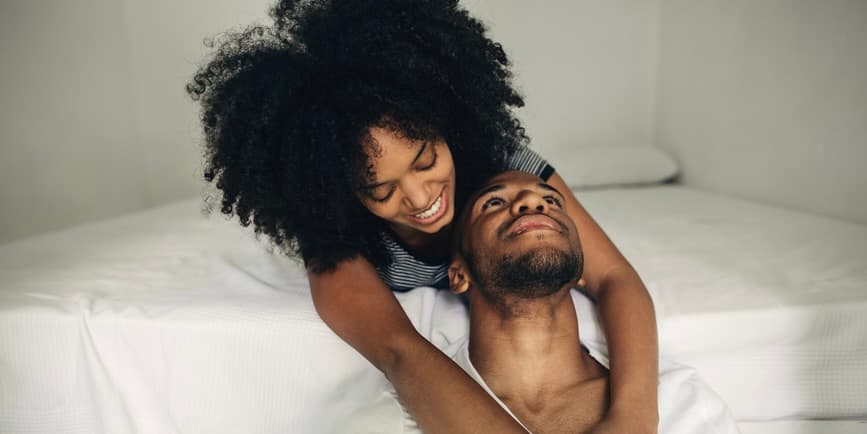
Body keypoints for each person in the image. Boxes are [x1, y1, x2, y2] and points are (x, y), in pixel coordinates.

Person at [187, 1, 658, 432]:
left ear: (447, 124)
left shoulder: (507, 174)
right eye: (381, 189)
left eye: (426, 160)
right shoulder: (333, 232)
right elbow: (400, 350)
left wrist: (633, 416)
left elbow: (613, 276)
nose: (419, 198)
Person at [342, 171, 740, 434]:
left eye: (551, 202)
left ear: (583, 266)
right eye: (493, 203)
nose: (532, 204)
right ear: (458, 273)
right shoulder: (399, 417)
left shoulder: (683, 405)